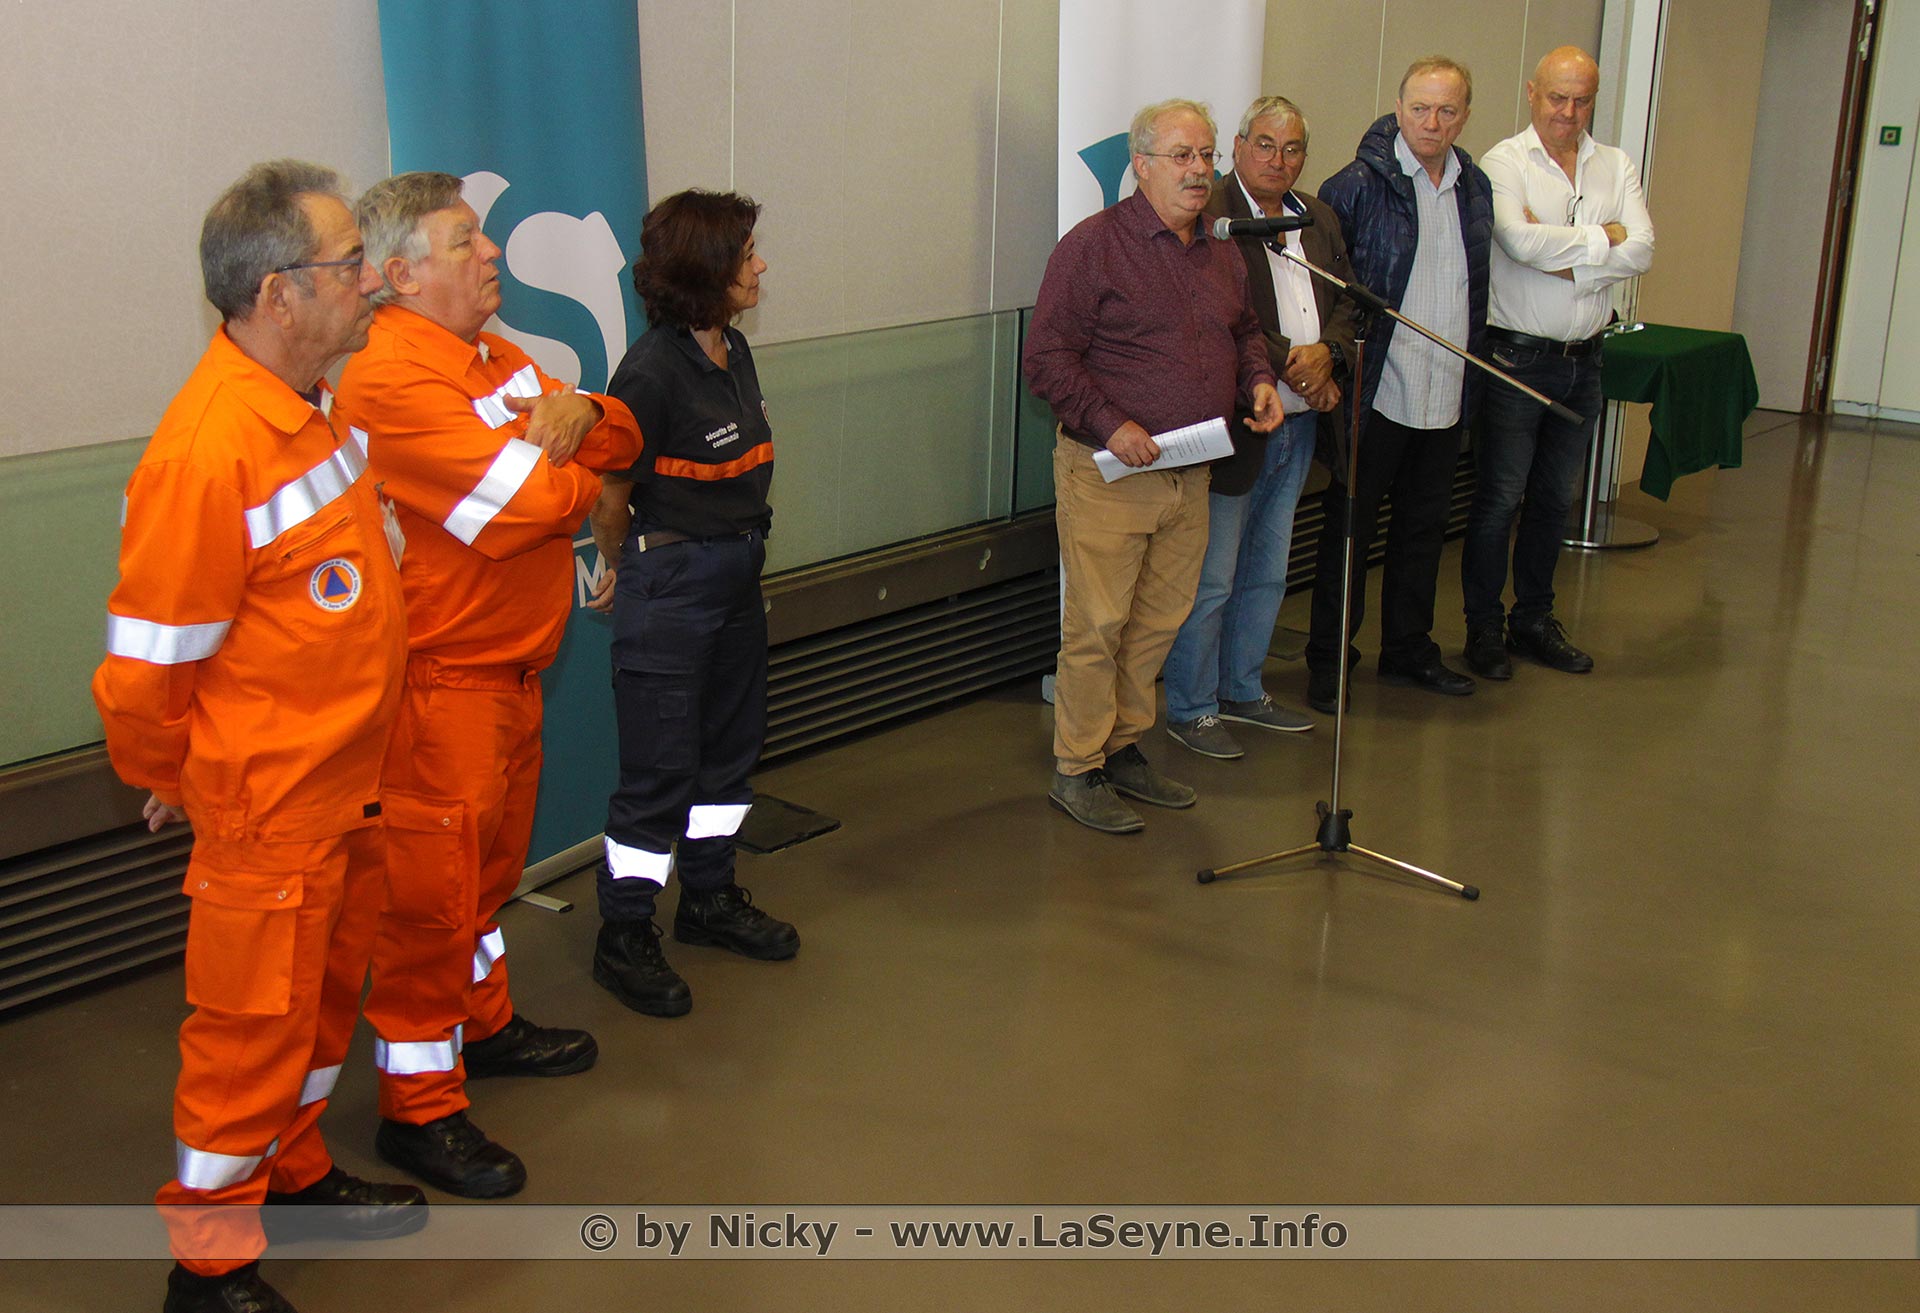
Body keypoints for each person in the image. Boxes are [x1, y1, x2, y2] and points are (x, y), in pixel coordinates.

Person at [94, 160, 423, 1313]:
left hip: (346, 788)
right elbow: (146, 670)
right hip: (268, 809)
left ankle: (296, 1167)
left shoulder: (313, 411)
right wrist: (178, 776)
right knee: (247, 1038)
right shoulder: (209, 450)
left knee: (318, 1014)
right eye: (350, 263)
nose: (373, 281)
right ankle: (210, 1264)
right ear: (279, 293)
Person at [335, 172, 643, 1198]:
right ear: (397, 274)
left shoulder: (495, 357)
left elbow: (623, 436)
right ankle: (419, 1108)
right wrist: (567, 460)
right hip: (440, 690)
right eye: (464, 240)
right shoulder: (388, 378)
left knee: (482, 881)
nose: (492, 252)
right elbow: (519, 510)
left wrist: (579, 410)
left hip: (510, 674)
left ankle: (484, 1023)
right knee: (430, 906)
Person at [1025, 98, 1283, 833]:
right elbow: (1046, 358)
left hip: (1191, 472)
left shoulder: (1220, 248)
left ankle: (1123, 747)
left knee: (1157, 622)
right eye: (1182, 156)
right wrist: (1113, 421)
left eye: (1207, 156)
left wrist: (1258, 379)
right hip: (1109, 472)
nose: (1199, 171)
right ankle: (1077, 767)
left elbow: (1244, 330)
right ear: (1140, 165)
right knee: (1099, 626)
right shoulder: (1094, 247)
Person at [587, 189, 799, 1018]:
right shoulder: (648, 373)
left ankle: (709, 897)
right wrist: (627, 570)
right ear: (708, 270)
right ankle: (624, 931)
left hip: (738, 576)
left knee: (726, 758)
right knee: (659, 773)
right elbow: (611, 497)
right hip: (673, 589)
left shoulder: (733, 349)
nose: (760, 265)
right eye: (746, 255)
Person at [1163, 94, 1358, 760]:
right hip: (1238, 424)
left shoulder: (1318, 216)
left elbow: (1348, 301)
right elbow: (1220, 317)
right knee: (1213, 578)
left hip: (1300, 427)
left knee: (1269, 571)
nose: (1279, 159)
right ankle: (1191, 707)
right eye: (1266, 145)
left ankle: (1243, 689)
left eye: (1293, 148)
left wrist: (1328, 355)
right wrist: (1297, 367)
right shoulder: (1212, 215)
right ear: (1240, 147)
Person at [1307, 56, 1493, 712]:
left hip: (1447, 389)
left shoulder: (1475, 185)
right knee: (1350, 530)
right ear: (1398, 107)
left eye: (1447, 110)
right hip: (1376, 389)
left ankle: (1410, 649)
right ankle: (1331, 659)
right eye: (1420, 108)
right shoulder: (1353, 185)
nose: (1432, 122)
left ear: (1464, 116)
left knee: (1424, 528)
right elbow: (1330, 292)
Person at [1462, 45, 1655, 679]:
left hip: (1585, 362)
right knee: (1499, 500)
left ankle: (1534, 620)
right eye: (1556, 97)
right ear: (1531, 92)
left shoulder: (1616, 165)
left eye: (1582, 100)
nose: (1568, 113)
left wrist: (1566, 254)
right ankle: (1484, 627)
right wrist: (1605, 241)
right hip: (1516, 360)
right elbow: (1518, 242)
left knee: (1552, 501)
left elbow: (1643, 249)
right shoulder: (1504, 161)